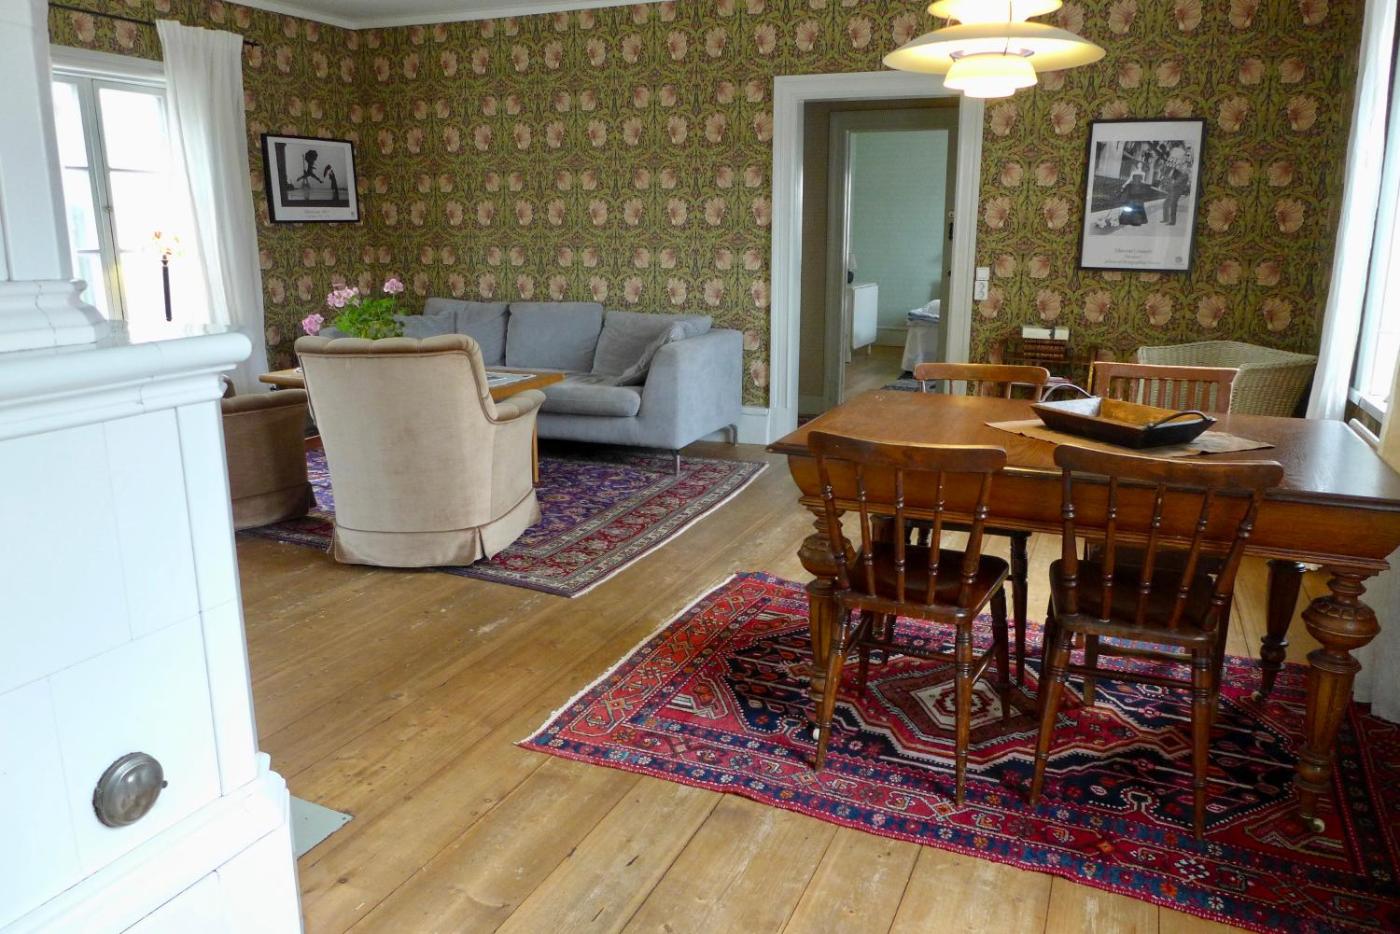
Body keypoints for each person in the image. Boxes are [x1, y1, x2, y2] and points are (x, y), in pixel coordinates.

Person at [1160, 146, 1191, 225]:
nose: (1182, 166)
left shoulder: (1185, 175)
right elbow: (1170, 174)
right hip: (1173, 190)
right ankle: (1165, 219)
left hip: (1177, 191)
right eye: (1182, 165)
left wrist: (1171, 183)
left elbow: (1176, 183)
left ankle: (1172, 221)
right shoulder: (1178, 171)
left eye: (1183, 166)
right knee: (1165, 203)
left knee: (1173, 204)